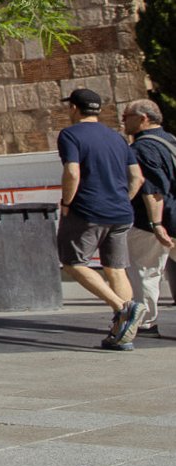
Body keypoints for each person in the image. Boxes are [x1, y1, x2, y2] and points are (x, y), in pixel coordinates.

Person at [55, 88, 146, 351]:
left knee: (73, 262)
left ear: (74, 108)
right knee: (116, 269)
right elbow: (137, 177)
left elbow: (72, 172)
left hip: (87, 210)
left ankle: (123, 308)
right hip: (121, 212)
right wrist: (123, 199)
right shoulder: (118, 138)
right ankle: (123, 333)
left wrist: (67, 203)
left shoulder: (70, 135)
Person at [123, 100, 176, 336]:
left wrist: (156, 224)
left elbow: (153, 189)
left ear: (143, 118)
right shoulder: (171, 141)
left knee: (145, 271)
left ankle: (145, 322)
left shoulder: (141, 149)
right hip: (173, 215)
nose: (123, 120)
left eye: (127, 116)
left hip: (152, 222)